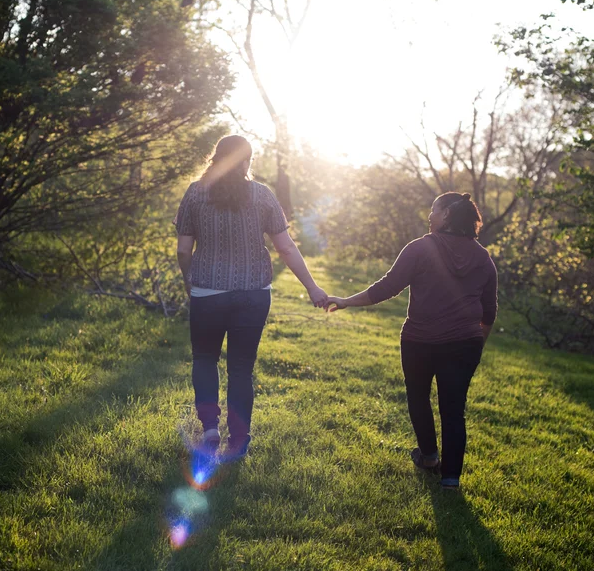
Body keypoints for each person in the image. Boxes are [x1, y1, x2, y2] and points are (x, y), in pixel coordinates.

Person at [325, 192, 497, 490]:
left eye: (434, 210)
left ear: (446, 215)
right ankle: (450, 479)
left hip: (420, 341)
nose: (429, 216)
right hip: (465, 343)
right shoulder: (482, 257)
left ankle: (430, 457)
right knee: (453, 409)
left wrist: (346, 301)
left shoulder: (421, 248)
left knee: (418, 396)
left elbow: (386, 288)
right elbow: (489, 312)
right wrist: (477, 345)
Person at [176, 135, 328, 459]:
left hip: (207, 291)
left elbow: (182, 249)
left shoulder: (195, 193)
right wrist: (312, 288)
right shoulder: (262, 195)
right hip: (253, 294)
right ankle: (239, 440)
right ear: (246, 161)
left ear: (216, 158)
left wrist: (190, 281)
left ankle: (210, 429)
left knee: (204, 360)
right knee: (241, 368)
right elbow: (285, 247)